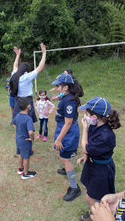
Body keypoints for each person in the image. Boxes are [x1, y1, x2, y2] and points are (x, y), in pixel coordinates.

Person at [77, 97, 121, 221]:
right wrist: (85, 156)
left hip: (101, 170)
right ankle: (96, 213)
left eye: (86, 114)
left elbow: (85, 147)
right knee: (94, 194)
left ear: (94, 117)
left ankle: (98, 216)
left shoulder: (106, 136)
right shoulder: (95, 126)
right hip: (93, 164)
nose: (84, 117)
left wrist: (84, 128)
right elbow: (90, 149)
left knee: (91, 198)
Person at [52, 73, 82, 201]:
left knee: (65, 159)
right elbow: (61, 96)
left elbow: (68, 123)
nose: (56, 88)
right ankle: (66, 168)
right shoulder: (65, 96)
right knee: (62, 154)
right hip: (62, 128)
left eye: (58, 86)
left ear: (65, 87)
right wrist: (56, 96)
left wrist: (59, 139)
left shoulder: (69, 102)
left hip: (67, 131)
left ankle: (74, 187)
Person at [10, 43, 46, 123]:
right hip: (27, 101)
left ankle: (19, 133)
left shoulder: (15, 75)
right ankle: (28, 134)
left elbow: (15, 66)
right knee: (28, 121)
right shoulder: (27, 77)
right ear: (27, 70)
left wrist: (17, 55)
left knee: (17, 120)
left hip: (18, 100)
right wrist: (44, 53)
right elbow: (40, 67)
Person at [12, 97, 36, 180]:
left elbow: (13, 123)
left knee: (19, 153)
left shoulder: (18, 115)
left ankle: (20, 168)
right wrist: (31, 138)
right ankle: (25, 173)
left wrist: (18, 131)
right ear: (28, 106)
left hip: (18, 138)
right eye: (29, 104)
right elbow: (31, 132)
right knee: (26, 157)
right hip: (25, 141)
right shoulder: (28, 119)